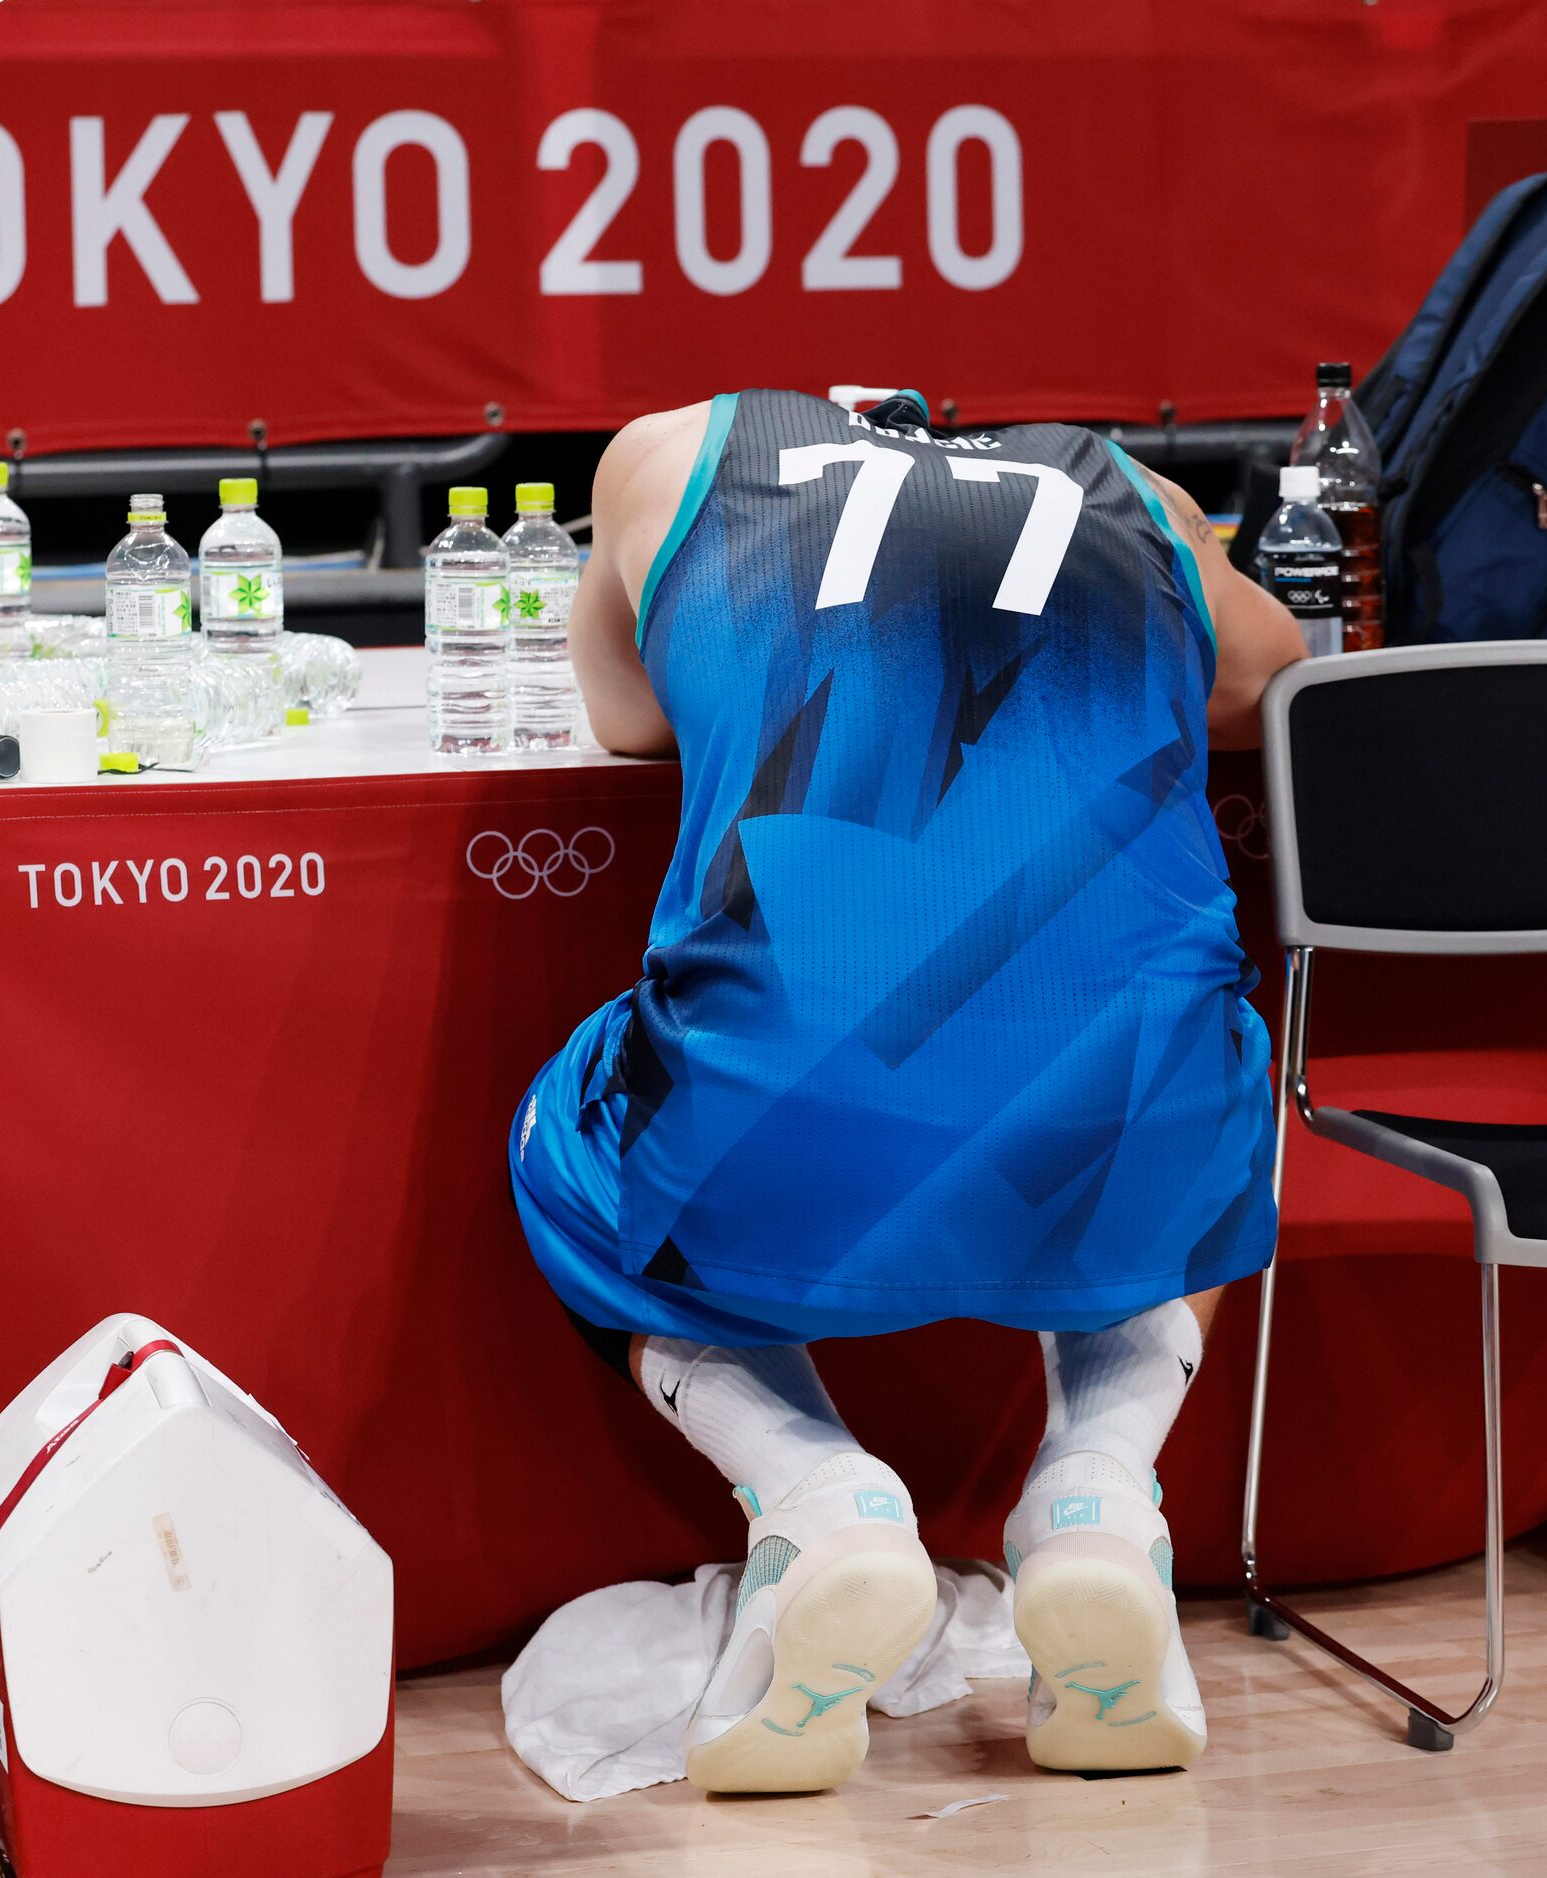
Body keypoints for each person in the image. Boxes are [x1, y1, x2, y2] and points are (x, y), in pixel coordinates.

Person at [507, 388, 1308, 1793]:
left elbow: (622, 714)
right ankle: (1097, 1495)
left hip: (777, 1107)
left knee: (562, 1134)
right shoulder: (1123, 477)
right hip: (1121, 1107)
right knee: (1185, 1069)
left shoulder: (669, 446)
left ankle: (815, 1495)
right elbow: (1264, 670)